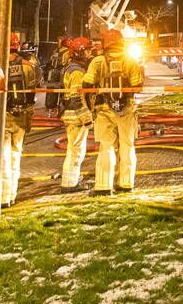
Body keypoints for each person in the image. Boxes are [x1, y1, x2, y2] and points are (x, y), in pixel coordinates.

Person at [0, 32, 36, 208]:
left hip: (1, 117)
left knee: (2, 157)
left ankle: (1, 198)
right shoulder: (28, 66)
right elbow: (31, 95)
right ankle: (11, 195)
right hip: (21, 116)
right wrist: (29, 118)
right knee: (15, 156)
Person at [84, 28, 142, 196]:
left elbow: (87, 85)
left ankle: (103, 186)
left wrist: (92, 107)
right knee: (128, 145)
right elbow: (137, 86)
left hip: (104, 110)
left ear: (104, 44)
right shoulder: (130, 61)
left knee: (106, 147)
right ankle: (126, 184)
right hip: (127, 110)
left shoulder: (98, 61)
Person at [59, 37, 94, 192]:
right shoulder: (77, 72)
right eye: (86, 50)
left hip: (70, 114)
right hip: (76, 116)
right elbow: (77, 98)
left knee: (74, 149)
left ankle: (71, 180)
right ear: (79, 52)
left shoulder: (70, 67)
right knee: (76, 151)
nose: (89, 53)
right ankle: (70, 184)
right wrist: (87, 118)